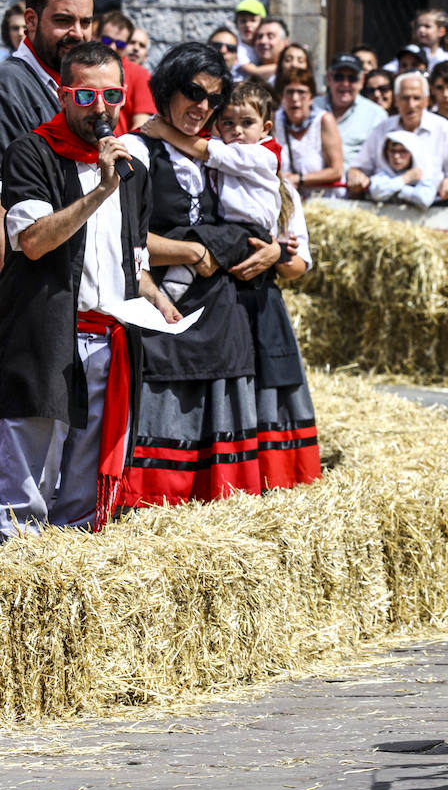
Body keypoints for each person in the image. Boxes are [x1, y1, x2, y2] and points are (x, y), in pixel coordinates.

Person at [0, 41, 179, 539]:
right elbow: (32, 241)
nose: (100, 109)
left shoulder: (133, 168)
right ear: (62, 95)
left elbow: (132, 261)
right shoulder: (31, 152)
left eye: (111, 96)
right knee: (25, 489)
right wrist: (100, 189)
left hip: (109, 342)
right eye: (84, 96)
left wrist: (161, 302)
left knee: (81, 489)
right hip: (45, 338)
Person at [118, 41, 282, 506]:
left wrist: (273, 249)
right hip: (159, 303)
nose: (204, 106)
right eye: (193, 92)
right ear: (168, 89)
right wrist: (191, 252)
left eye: (214, 98)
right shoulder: (137, 148)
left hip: (219, 308)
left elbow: (270, 207)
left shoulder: (220, 155)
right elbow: (120, 234)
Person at [139, 77, 320, 490]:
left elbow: (301, 264)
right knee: (224, 391)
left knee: (269, 386)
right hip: (217, 300)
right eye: (227, 123)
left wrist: (277, 254)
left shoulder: (281, 187)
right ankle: (225, 480)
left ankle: (276, 479)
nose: (237, 131)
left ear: (266, 129)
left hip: (259, 299)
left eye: (247, 123)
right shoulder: (206, 175)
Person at [0, 0, 94, 159]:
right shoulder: (8, 86)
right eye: (63, 21)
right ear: (31, 20)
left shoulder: (84, 84)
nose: (78, 33)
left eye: (86, 22)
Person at [351, 70, 448, 200]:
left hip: (432, 210)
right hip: (384, 209)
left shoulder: (443, 128)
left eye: (416, 98)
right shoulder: (382, 129)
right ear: (396, 100)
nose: (411, 104)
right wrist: (355, 174)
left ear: (426, 101)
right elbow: (360, 167)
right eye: (405, 98)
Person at [273, 68, 344, 194]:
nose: (295, 98)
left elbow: (336, 171)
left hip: (321, 203)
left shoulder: (324, 120)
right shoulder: (273, 121)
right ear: (282, 97)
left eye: (301, 92)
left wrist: (299, 179)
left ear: (312, 98)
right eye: (290, 92)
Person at [315, 53, 385, 171]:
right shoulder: (312, 108)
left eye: (352, 78)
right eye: (339, 77)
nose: (345, 84)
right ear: (328, 79)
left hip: (355, 187)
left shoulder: (376, 115)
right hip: (310, 185)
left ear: (362, 81)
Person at [97, 9, 155, 137]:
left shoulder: (139, 74)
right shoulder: (81, 66)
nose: (112, 47)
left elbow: (142, 125)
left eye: (119, 44)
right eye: (107, 40)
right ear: (96, 36)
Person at [368, 129, 441, 209]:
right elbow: (377, 193)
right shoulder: (383, 172)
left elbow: (425, 200)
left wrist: (394, 189)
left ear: (413, 153)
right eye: (392, 151)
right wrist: (404, 179)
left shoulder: (425, 172)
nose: (396, 156)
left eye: (402, 152)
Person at [240, 16, 287, 85]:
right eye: (259, 36)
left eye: (270, 36)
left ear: (285, 42)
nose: (263, 41)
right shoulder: (243, 73)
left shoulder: (293, 73)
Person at [231, 0, 265, 81]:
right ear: (236, 25)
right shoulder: (237, 48)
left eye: (253, 20)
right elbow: (253, 71)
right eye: (243, 21)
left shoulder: (265, 46)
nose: (248, 24)